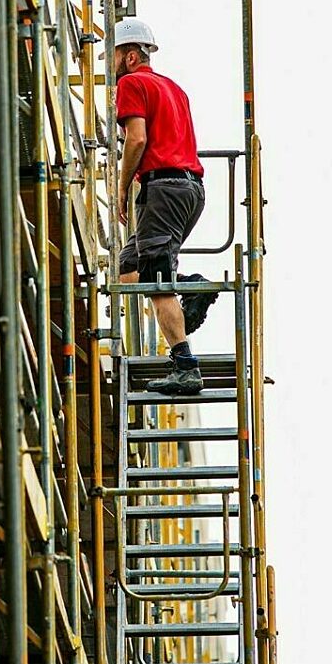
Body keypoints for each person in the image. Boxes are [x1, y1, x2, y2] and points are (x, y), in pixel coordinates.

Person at [109, 19, 216, 394]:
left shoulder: (131, 83)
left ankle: (186, 367)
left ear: (131, 55)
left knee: (156, 281)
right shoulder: (174, 89)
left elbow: (136, 140)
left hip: (164, 188)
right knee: (128, 270)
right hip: (190, 191)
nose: (112, 64)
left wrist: (121, 187)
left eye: (115, 56)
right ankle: (191, 287)